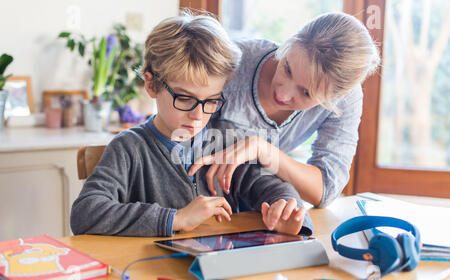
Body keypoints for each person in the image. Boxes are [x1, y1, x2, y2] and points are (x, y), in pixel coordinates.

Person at [70, 12, 314, 237]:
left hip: (219, 269)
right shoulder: (129, 148)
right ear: (152, 85)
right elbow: (85, 213)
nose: (198, 115)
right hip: (153, 271)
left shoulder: (227, 139)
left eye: (211, 101)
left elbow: (271, 187)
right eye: (184, 98)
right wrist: (176, 218)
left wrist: (285, 209)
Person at [188, 12, 381, 219]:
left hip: (259, 211)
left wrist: (263, 150)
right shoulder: (234, 61)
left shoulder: (346, 101)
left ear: (337, 96)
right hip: (197, 201)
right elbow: (175, 132)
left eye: (306, 92)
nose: (282, 94)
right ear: (290, 42)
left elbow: (325, 190)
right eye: (287, 69)